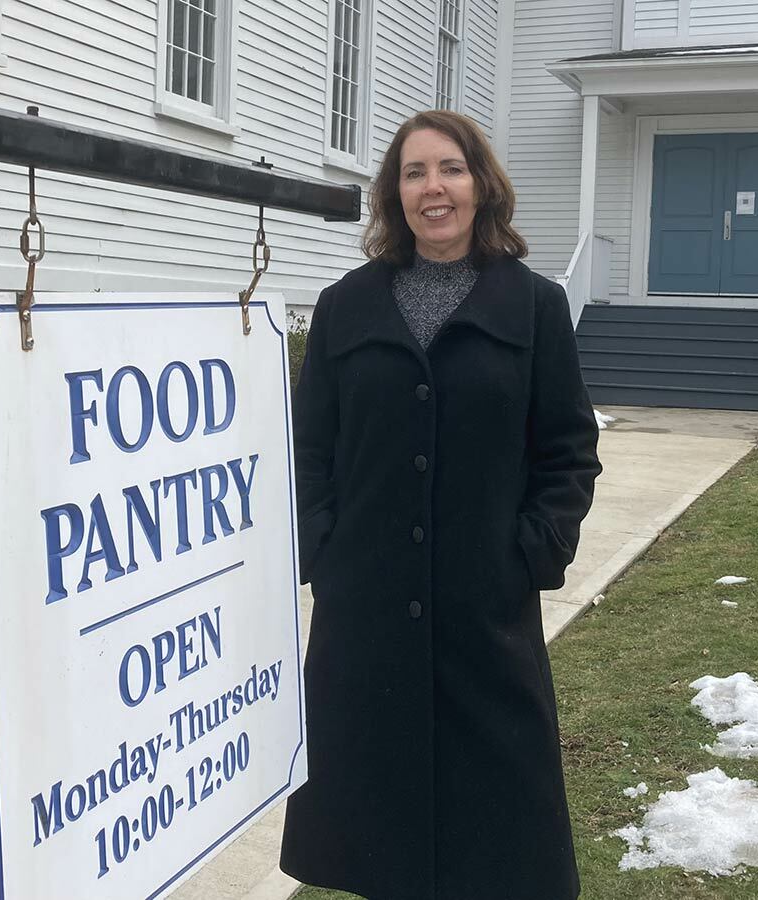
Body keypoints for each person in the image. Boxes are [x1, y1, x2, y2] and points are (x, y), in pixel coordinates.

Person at [279, 109, 602, 900]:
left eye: (450, 169)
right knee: (375, 831)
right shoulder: (346, 304)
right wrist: (322, 550)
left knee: (496, 834)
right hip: (368, 613)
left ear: (481, 184)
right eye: (414, 172)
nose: (434, 189)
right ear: (394, 193)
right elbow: (309, 450)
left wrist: (532, 552)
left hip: (485, 611)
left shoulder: (533, 307)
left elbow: (567, 450)